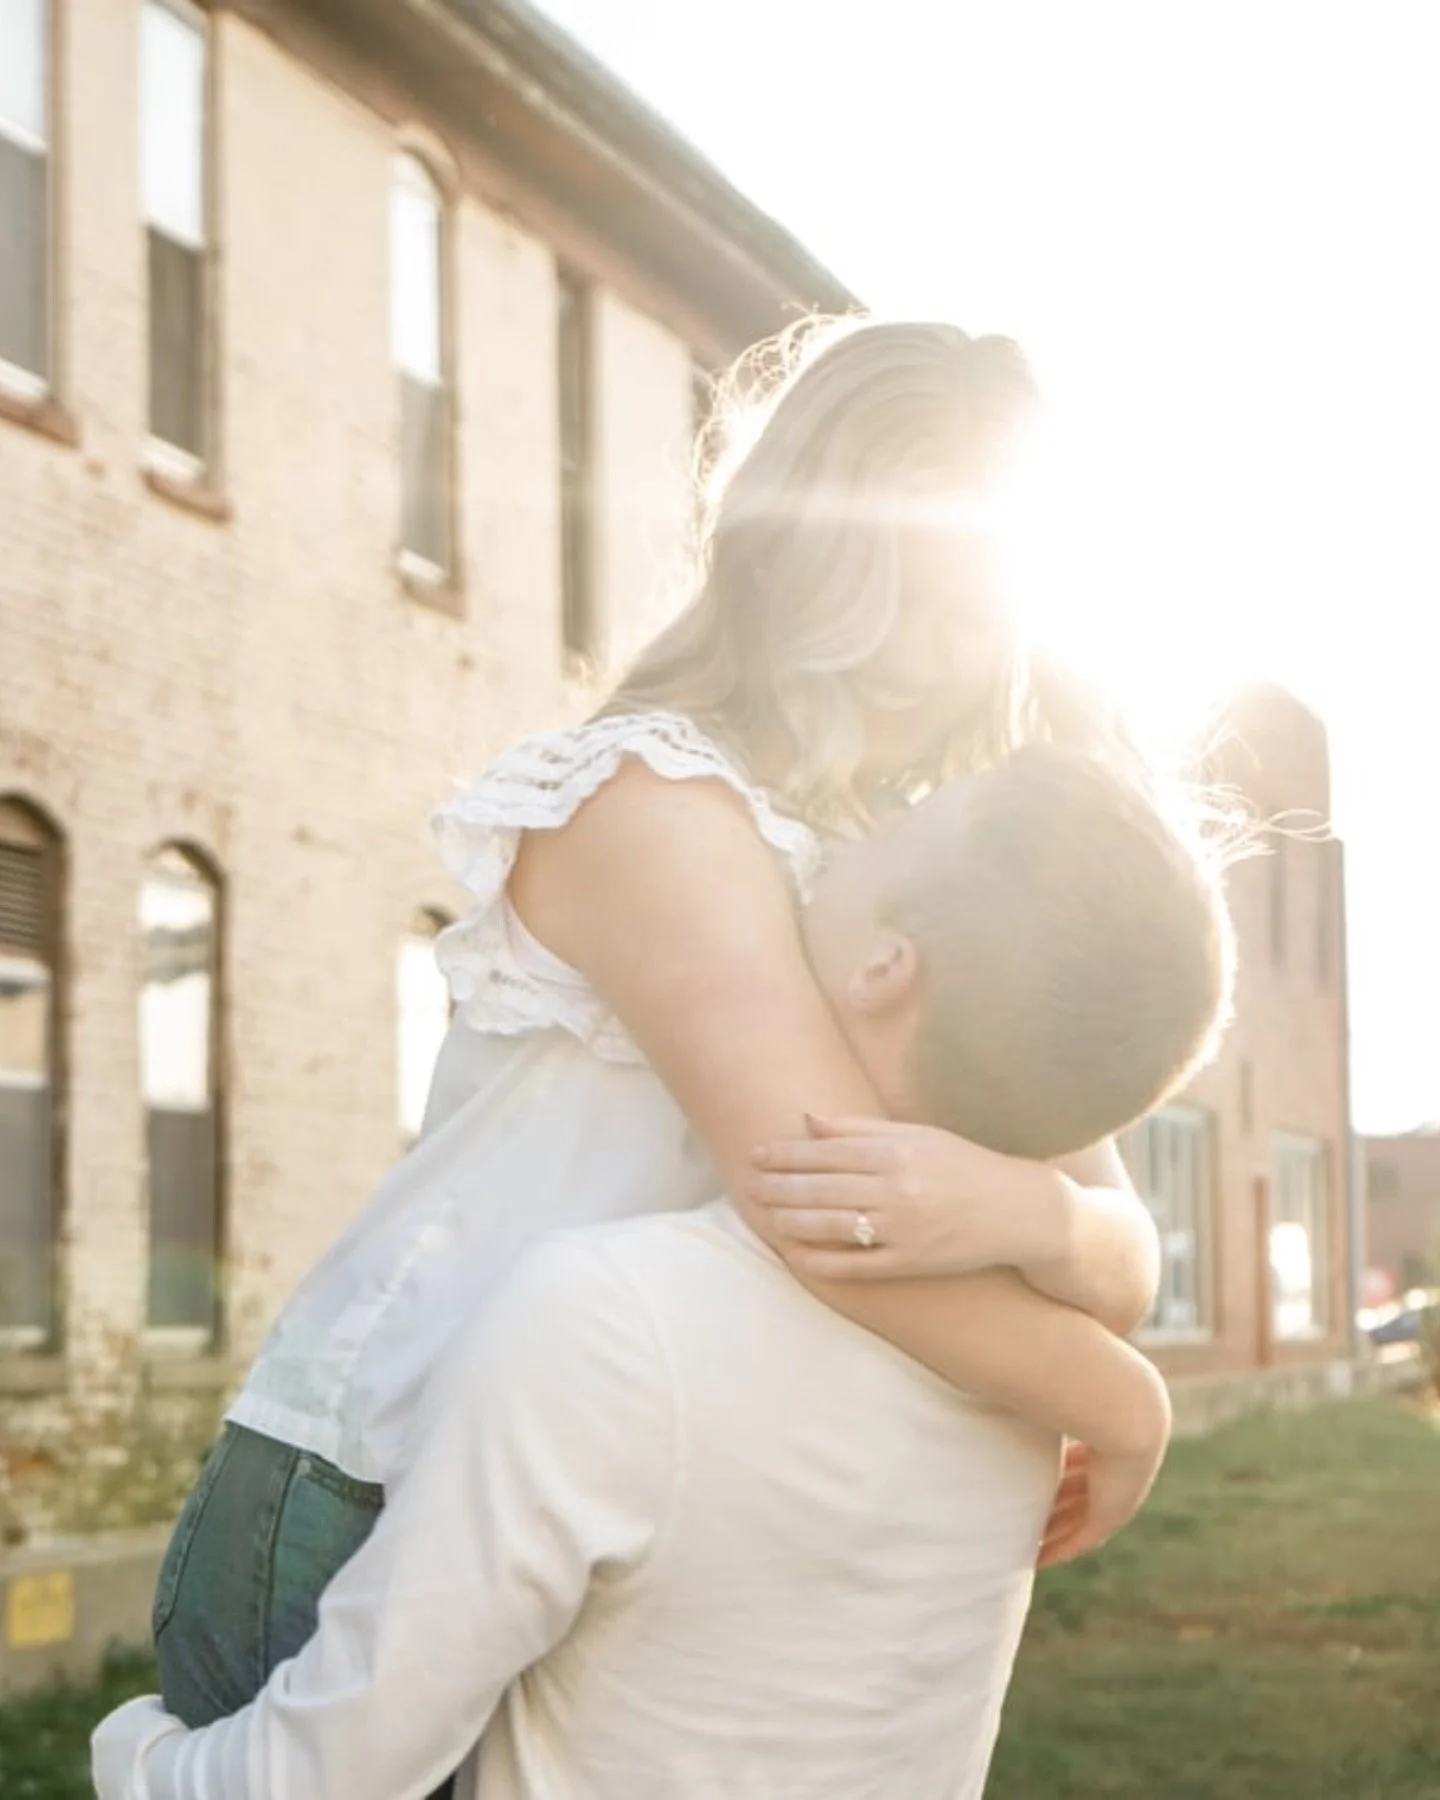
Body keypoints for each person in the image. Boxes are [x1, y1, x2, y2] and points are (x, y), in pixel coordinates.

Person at [136, 319, 1177, 1766]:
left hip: (596, 1487)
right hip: (371, 1482)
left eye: (966, 609)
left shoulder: (908, 858)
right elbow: (827, 1215)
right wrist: (1119, 1401)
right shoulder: (658, 800)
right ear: (791, 542)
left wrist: (1031, 1213)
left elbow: (1122, 1244)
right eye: (889, 584)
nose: (920, 654)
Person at [93, 744, 1234, 1800]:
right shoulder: (1033, 1402)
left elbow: (326, 1772)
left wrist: (136, 1752)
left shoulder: (610, 1321)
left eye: (898, 822)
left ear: (889, 966)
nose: (854, 822)